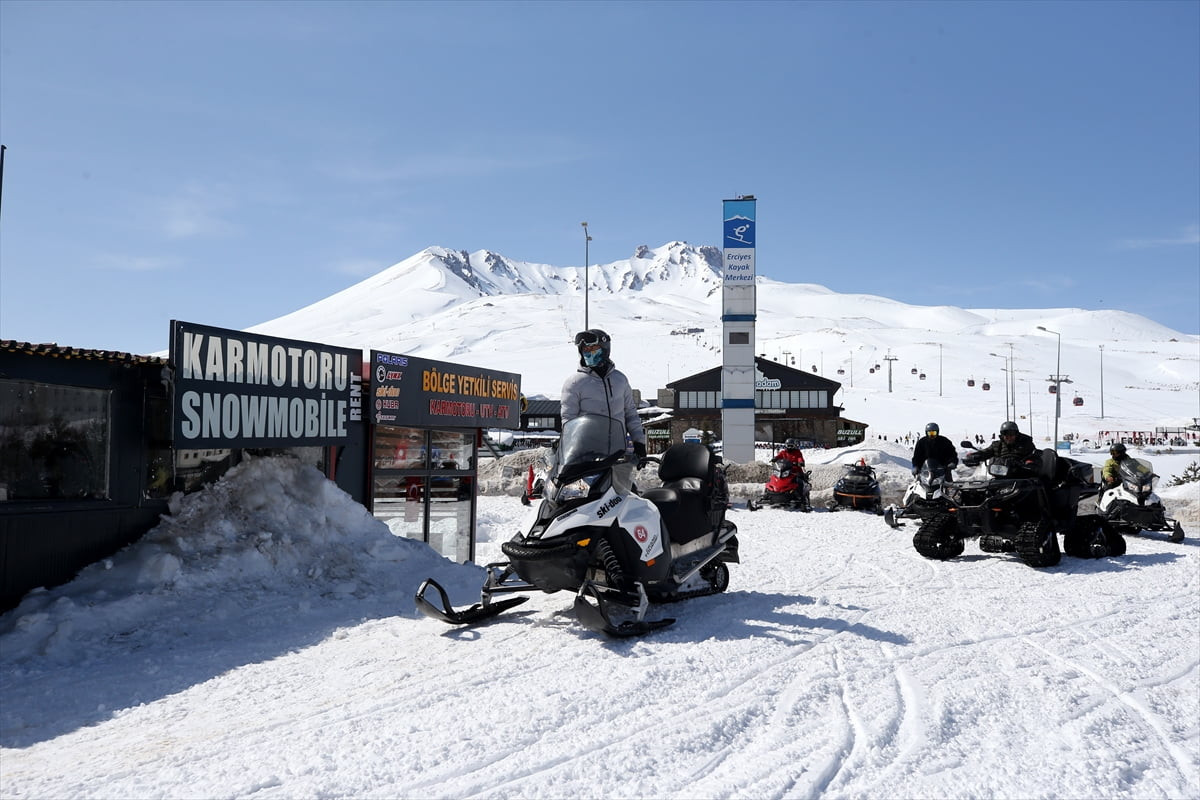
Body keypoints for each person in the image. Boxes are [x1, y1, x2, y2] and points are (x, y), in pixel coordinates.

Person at [561, 329, 648, 466]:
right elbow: (568, 420)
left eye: (593, 348)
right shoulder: (574, 383)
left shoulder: (620, 380)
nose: (588, 352)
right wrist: (572, 449)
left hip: (618, 453)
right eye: (585, 349)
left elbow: (630, 414)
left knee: (626, 487)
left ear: (605, 348)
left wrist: (639, 443)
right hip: (587, 456)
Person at [965, 420, 1037, 466]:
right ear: (1002, 435)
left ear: (1016, 434)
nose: (1009, 437)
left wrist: (1030, 462)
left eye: (1011, 434)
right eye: (1005, 434)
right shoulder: (997, 445)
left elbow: (1035, 456)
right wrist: (974, 456)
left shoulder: (1026, 443)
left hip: (1022, 474)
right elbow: (986, 452)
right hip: (1001, 474)